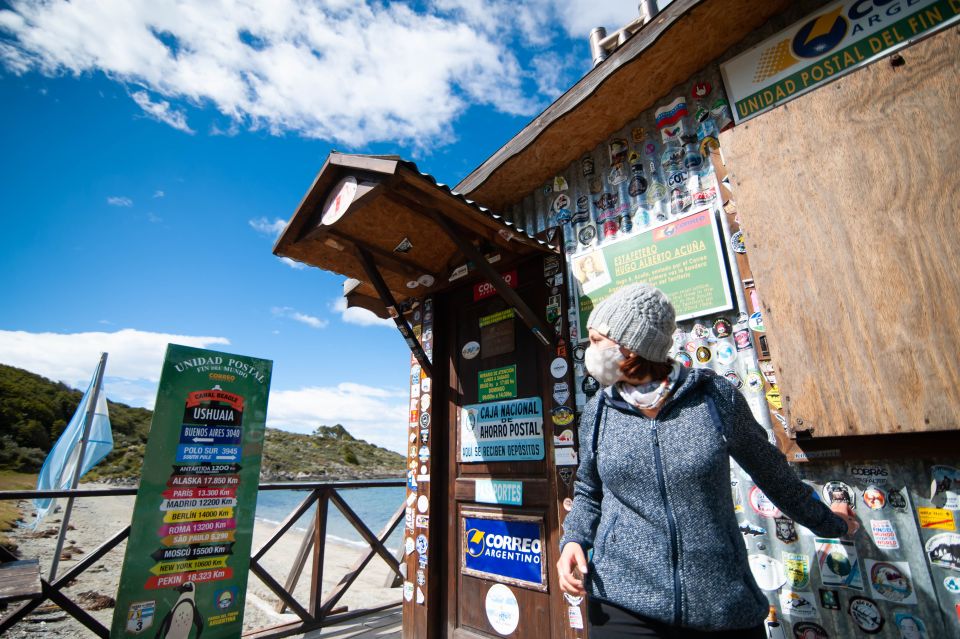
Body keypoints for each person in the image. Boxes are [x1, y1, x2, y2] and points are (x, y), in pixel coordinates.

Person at [556, 284, 858, 638]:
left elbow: (774, 476)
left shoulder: (715, 398)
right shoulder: (599, 411)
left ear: (633, 347)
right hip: (621, 602)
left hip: (720, 603)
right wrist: (574, 540)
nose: (589, 352)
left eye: (596, 341)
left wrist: (831, 523)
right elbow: (589, 491)